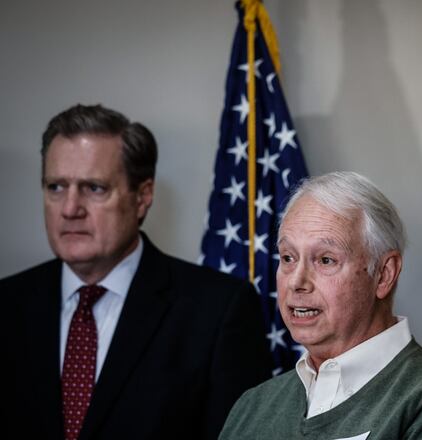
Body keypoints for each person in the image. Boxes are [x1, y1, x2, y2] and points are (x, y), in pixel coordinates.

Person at [0, 104, 271, 440]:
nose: (70, 209)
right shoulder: (7, 304)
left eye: (94, 188)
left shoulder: (218, 311)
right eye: (56, 187)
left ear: (143, 197)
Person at [219, 171, 422, 439]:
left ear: (384, 274)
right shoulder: (252, 406)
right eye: (288, 257)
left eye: (325, 260)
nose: (296, 282)